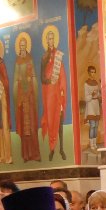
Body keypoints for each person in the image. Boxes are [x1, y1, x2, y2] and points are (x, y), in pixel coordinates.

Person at [39, 27, 67, 161]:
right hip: (49, 95)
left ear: (54, 39)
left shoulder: (58, 56)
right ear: (46, 40)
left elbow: (62, 75)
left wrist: (61, 89)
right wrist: (49, 80)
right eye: (49, 39)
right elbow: (42, 78)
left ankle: (61, 148)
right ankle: (52, 149)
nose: (51, 41)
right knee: (51, 121)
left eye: (52, 38)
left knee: (59, 121)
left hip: (57, 94)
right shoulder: (44, 57)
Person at [12, 33, 40, 162]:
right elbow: (15, 80)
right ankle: (26, 155)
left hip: (30, 98)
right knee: (24, 130)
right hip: (22, 99)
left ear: (26, 46)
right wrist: (19, 83)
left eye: (24, 46)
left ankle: (35, 154)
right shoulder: (17, 61)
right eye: (21, 46)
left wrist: (31, 81)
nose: (22, 48)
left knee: (32, 128)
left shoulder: (30, 59)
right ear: (19, 47)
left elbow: (34, 76)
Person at [83, 64, 102, 151]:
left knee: (96, 126)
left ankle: (95, 144)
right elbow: (86, 98)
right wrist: (92, 94)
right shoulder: (86, 84)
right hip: (90, 106)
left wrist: (99, 93)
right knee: (92, 126)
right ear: (88, 72)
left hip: (96, 106)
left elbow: (98, 95)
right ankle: (91, 145)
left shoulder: (96, 83)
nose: (93, 74)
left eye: (94, 72)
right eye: (91, 72)